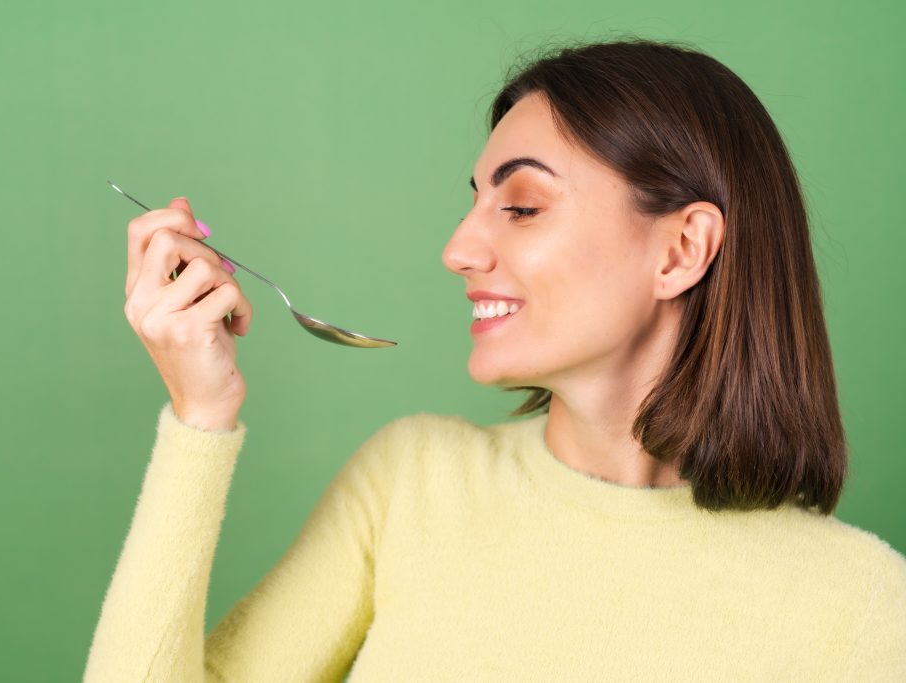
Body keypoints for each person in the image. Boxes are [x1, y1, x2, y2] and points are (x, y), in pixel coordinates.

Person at [82, 37, 906, 681]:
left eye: (521, 204)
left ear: (682, 249)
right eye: (475, 202)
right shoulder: (412, 482)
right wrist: (201, 417)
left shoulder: (866, 606)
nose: (459, 248)